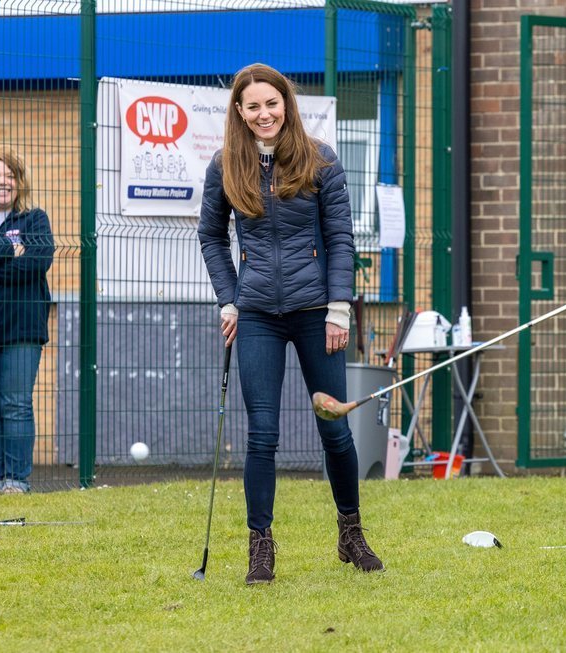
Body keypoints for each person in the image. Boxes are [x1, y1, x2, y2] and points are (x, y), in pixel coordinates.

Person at [198, 63, 383, 584]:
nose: (264, 114)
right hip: (256, 313)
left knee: (336, 430)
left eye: (271, 104)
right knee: (262, 435)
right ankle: (261, 547)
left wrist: (339, 307)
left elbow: (341, 239)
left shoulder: (321, 159)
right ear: (240, 111)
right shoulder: (224, 165)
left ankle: (351, 533)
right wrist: (228, 300)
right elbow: (211, 236)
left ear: (287, 104)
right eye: (253, 106)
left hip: (315, 312)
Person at [0, 149, 53, 496]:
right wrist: (8, 250)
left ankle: (17, 481)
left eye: (9, 176)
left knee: (17, 404)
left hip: (23, 327)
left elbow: (39, 262)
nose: (1, 182)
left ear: (19, 182)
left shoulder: (35, 219)